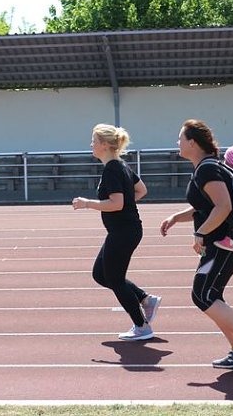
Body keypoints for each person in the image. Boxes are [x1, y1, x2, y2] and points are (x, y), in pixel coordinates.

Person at [160, 120, 233, 371]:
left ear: (192, 143)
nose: (177, 143)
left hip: (227, 243)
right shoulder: (206, 168)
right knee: (210, 295)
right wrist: (177, 218)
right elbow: (205, 207)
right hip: (221, 242)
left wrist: (200, 232)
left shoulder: (208, 170)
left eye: (180, 138)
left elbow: (223, 207)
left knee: (203, 295)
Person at [72, 123, 161, 341]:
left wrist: (87, 204)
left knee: (114, 278)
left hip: (124, 231)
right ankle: (145, 299)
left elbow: (116, 203)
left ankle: (142, 326)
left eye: (93, 141)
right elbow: (141, 190)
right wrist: (127, 203)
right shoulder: (121, 166)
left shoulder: (113, 168)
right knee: (100, 274)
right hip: (124, 230)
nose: (90, 145)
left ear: (103, 145)